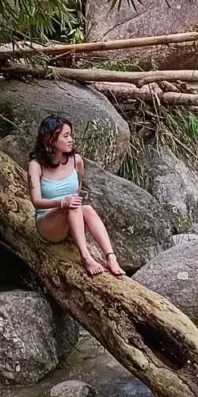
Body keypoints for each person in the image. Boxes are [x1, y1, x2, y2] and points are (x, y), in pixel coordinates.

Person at [28, 116, 125, 277]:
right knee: (72, 206)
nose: (71, 140)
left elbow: (77, 191)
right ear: (50, 139)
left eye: (71, 135)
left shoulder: (76, 161)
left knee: (87, 208)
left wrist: (70, 204)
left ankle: (110, 257)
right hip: (48, 226)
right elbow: (36, 202)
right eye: (66, 136)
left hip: (71, 222)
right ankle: (85, 256)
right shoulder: (36, 165)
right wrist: (61, 203)